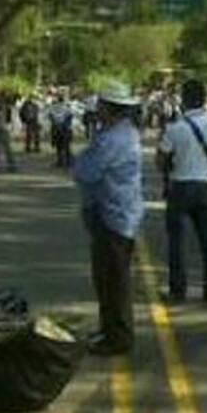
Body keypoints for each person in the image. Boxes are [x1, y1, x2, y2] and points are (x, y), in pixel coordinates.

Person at [74, 82, 144, 356]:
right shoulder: (119, 133)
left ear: (109, 108)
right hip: (116, 213)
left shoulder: (113, 139)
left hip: (113, 215)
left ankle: (118, 336)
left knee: (114, 280)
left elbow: (87, 171)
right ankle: (110, 329)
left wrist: (80, 163)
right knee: (107, 278)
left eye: (101, 105)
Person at [157, 79, 207, 303]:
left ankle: (178, 289)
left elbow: (161, 160)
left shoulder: (175, 128)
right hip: (205, 186)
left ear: (184, 100)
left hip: (180, 186)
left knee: (177, 241)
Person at [49, 93, 76, 169]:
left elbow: (50, 116)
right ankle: (68, 162)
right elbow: (70, 116)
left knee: (58, 146)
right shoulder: (67, 107)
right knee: (66, 146)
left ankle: (60, 161)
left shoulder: (53, 107)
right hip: (65, 129)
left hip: (56, 128)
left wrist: (54, 122)